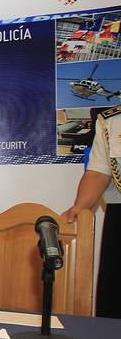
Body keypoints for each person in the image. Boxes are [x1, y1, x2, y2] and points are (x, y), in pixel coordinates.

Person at [64, 104, 121, 318]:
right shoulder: (112, 120)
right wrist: (79, 207)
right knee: (114, 307)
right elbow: (98, 172)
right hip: (119, 219)